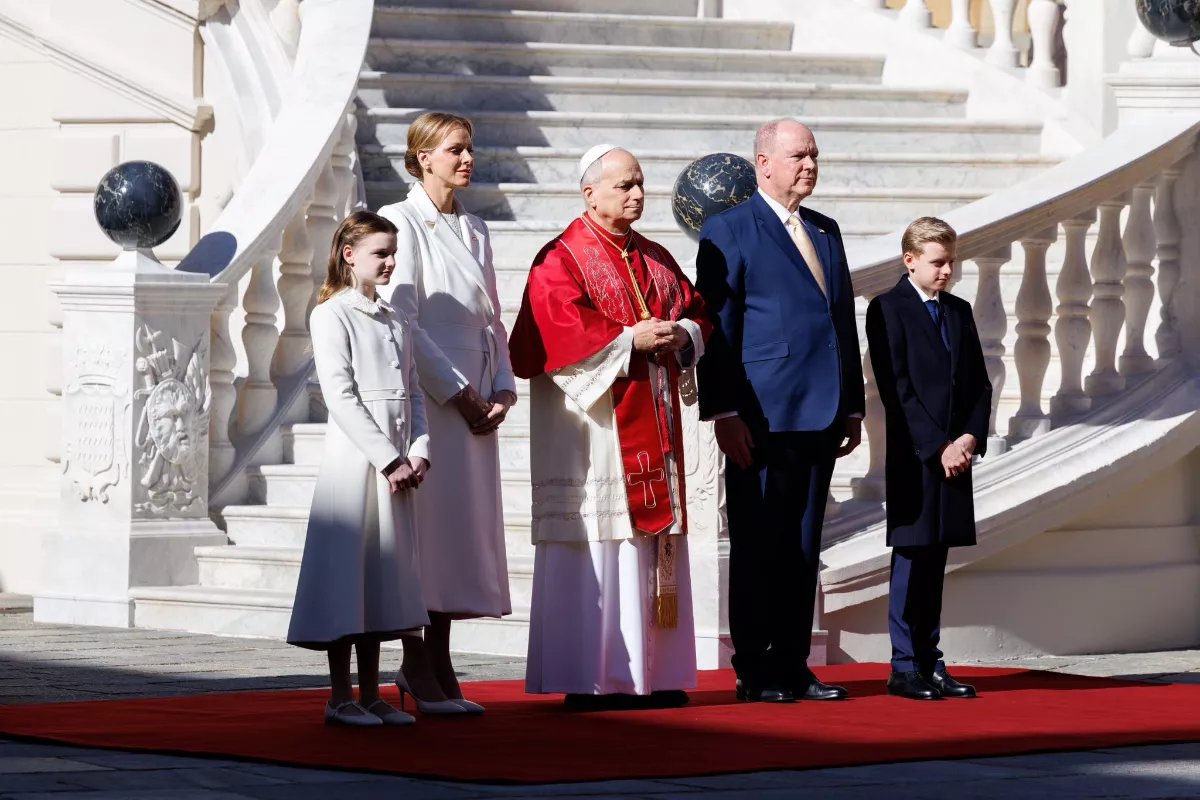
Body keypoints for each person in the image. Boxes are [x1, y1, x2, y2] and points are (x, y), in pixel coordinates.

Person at [509, 144, 710, 709]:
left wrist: (684, 335)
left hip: (654, 425)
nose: (638, 194)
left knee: (645, 546)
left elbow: (698, 310)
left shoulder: (655, 256)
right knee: (602, 545)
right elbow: (555, 329)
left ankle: (651, 675)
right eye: (625, 185)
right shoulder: (561, 258)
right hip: (593, 432)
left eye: (641, 183)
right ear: (589, 192)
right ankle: (594, 679)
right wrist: (628, 340)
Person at [695, 118, 865, 704]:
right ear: (763, 163)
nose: (809, 165)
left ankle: (793, 664)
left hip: (822, 411)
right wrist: (723, 412)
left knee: (802, 546)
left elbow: (841, 320)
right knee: (758, 545)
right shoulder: (728, 228)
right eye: (798, 156)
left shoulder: (824, 229)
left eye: (814, 155)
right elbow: (718, 327)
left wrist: (852, 405)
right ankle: (753, 667)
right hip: (760, 416)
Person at [378, 112, 516, 715]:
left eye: (469, 148)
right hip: (431, 399)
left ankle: (440, 657)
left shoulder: (476, 227)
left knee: (460, 532)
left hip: (478, 395)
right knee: (427, 533)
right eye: (455, 149)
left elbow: (492, 317)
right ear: (423, 157)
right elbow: (402, 320)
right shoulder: (401, 220)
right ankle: (416, 659)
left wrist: (503, 387)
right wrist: (458, 392)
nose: (467, 158)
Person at [286, 210, 431, 727]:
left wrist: (419, 450)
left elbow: (414, 392)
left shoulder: (396, 318)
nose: (390, 262)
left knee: (380, 580)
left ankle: (372, 694)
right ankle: (340, 696)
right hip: (356, 465)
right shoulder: (332, 315)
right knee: (348, 577)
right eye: (380, 253)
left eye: (394, 253)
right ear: (349, 255)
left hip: (398, 467)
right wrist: (388, 458)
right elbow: (341, 396)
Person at [865, 217, 992, 701]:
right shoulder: (887, 309)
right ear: (910, 259)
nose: (947, 271)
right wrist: (939, 446)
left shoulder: (959, 311)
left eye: (951, 262)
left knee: (936, 558)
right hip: (917, 455)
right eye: (938, 263)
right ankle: (903, 666)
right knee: (912, 554)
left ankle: (929, 660)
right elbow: (896, 389)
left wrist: (968, 438)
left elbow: (979, 384)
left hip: (956, 454)